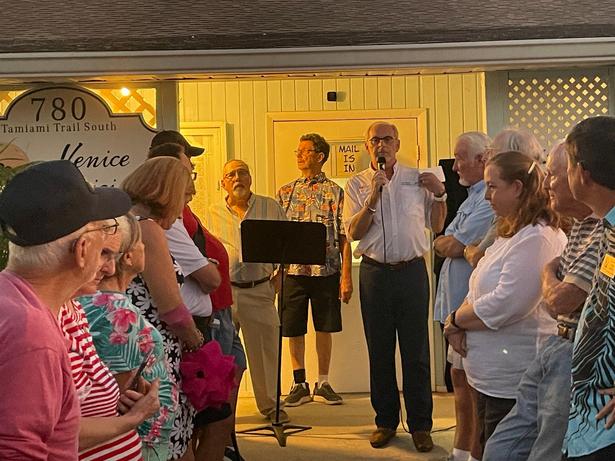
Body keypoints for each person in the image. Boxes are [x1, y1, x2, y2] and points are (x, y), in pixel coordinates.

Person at [0, 160, 131, 460]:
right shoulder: (31, 334)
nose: (110, 266)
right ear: (82, 249)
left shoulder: (12, 301)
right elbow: (17, 451)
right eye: (104, 232)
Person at [482, 142, 602, 461]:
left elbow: (560, 301)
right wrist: (554, 276)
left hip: (573, 351)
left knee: (546, 449)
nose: (546, 182)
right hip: (556, 345)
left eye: (554, 174)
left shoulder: (603, 231)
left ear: (581, 177)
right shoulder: (581, 226)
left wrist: (548, 272)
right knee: (501, 447)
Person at [444, 150, 566, 455]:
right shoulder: (511, 232)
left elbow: (507, 303)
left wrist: (456, 321)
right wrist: (457, 320)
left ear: (517, 188)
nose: (486, 196)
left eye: (492, 186)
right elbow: (478, 285)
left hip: (512, 380)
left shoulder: (537, 237)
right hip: (489, 377)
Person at [343, 121, 446, 452]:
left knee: (416, 352)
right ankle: (385, 421)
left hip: (412, 271)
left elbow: (436, 224)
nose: (381, 145)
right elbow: (354, 233)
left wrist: (440, 194)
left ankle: (421, 425)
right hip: (375, 274)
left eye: (387, 139)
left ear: (397, 145)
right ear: (367, 146)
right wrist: (373, 196)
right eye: (374, 140)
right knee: (380, 351)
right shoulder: (357, 184)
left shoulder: (417, 179)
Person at [148, 138, 243, 461]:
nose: (191, 180)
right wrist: (195, 337)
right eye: (187, 170)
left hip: (215, 317)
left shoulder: (178, 214)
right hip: (199, 328)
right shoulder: (161, 221)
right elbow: (197, 281)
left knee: (214, 412)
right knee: (207, 417)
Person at [123, 157, 205, 460]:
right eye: (184, 197)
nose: (183, 208)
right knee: (169, 444)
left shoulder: (125, 222)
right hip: (155, 351)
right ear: (167, 193)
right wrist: (196, 340)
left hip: (132, 347)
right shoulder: (148, 229)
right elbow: (171, 308)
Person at [78, 213, 178, 461]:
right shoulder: (117, 313)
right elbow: (118, 394)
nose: (146, 247)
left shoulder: (100, 302)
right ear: (129, 256)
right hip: (137, 439)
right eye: (141, 242)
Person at [60, 226, 160, 461]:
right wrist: (133, 418)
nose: (110, 269)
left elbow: (93, 403)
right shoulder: (37, 322)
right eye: (104, 253)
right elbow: (50, 435)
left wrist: (125, 404)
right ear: (80, 249)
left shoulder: (73, 308)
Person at [208, 159, 289, 423]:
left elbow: (288, 245)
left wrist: (277, 281)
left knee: (266, 353)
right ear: (223, 183)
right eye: (231, 175)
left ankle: (271, 406)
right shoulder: (211, 212)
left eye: (242, 172)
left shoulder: (270, 207)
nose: (237, 178)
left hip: (260, 291)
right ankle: (221, 410)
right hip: (225, 294)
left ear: (250, 178)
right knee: (223, 355)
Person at [276, 133, 353, 407]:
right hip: (293, 272)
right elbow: (277, 235)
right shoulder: (285, 192)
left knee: (325, 326)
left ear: (320, 156)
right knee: (293, 327)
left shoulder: (335, 192)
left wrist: (346, 275)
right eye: (297, 151)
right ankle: (299, 382)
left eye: (305, 151)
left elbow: (345, 236)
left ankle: (323, 382)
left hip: (326, 271)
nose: (299, 155)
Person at [433, 132, 494, 461]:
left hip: (470, 306)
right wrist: (448, 243)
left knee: (471, 385)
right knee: (457, 378)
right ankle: (460, 452)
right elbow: (443, 241)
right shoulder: (472, 196)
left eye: (460, 158)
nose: (454, 167)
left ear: (483, 159)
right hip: (456, 306)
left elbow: (454, 245)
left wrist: (449, 243)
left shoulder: (487, 199)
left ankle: (472, 453)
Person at [561, 116, 615, 460]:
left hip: (606, 430)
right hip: (589, 421)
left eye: (566, 165)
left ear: (582, 173)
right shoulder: (608, 228)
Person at [464, 127, 546, 268]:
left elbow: (479, 255)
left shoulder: (518, 211)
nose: (484, 158)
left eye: (491, 152)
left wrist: (467, 249)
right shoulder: (509, 205)